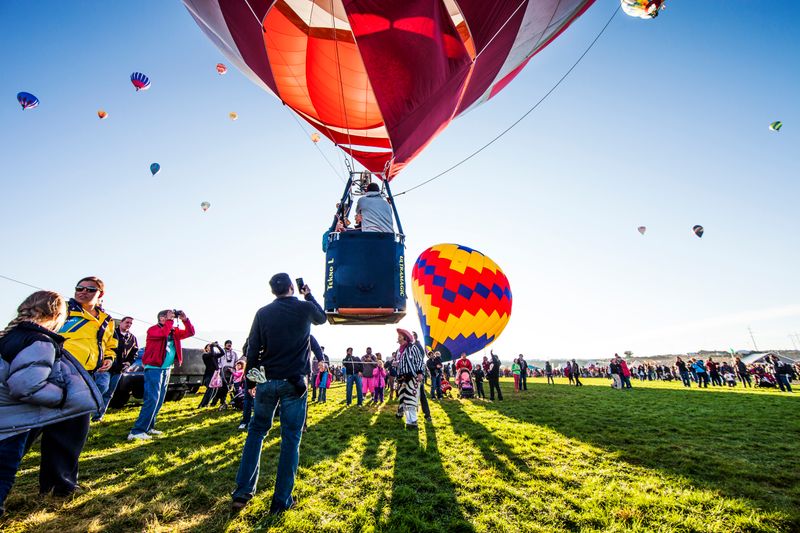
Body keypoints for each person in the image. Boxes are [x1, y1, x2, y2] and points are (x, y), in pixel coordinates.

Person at [232, 273, 326, 514]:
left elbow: (253, 347)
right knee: (291, 438)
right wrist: (309, 295)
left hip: (266, 380)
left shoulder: (263, 313)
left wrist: (251, 381)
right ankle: (281, 500)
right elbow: (322, 318)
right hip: (294, 382)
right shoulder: (304, 307)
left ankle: (242, 493)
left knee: (256, 432)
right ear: (292, 288)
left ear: (273, 291)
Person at [0, 291, 103, 511]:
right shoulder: (39, 341)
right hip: (12, 423)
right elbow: (26, 386)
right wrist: (64, 396)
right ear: (56, 315)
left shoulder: (10, 335)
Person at [127, 310, 195, 440]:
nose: (171, 319)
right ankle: (136, 431)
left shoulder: (173, 331)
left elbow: (190, 332)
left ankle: (149, 427)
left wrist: (185, 319)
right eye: (168, 317)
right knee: (151, 399)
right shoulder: (152, 329)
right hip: (154, 368)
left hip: (166, 368)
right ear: (161, 318)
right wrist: (170, 320)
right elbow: (163, 334)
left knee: (159, 399)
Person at [100, 316, 139, 418]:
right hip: (105, 367)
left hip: (119, 370)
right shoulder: (111, 333)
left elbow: (134, 353)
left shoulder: (132, 338)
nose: (129, 325)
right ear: (121, 323)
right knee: (101, 388)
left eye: (131, 323)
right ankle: (87, 412)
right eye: (127, 322)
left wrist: (129, 363)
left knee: (109, 393)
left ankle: (98, 416)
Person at [395, 329, 425, 428]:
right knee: (404, 399)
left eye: (400, 336)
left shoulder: (413, 348)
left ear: (405, 337)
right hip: (402, 378)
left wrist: (420, 373)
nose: (398, 337)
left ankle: (413, 421)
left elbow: (419, 360)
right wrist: (395, 364)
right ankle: (409, 421)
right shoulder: (399, 350)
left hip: (412, 376)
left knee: (411, 398)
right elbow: (400, 363)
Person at [198, 342, 224, 408]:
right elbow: (212, 354)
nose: (210, 347)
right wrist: (212, 346)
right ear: (206, 349)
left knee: (215, 389)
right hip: (209, 374)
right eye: (208, 346)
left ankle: (206, 403)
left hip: (215, 374)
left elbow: (222, 353)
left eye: (211, 346)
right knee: (210, 389)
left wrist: (218, 346)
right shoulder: (205, 355)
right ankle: (202, 404)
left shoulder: (214, 355)